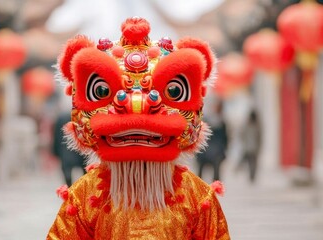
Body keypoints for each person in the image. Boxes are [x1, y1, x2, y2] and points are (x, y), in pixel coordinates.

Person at [46, 17, 229, 239]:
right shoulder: (86, 194)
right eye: (101, 91)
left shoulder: (197, 196)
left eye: (174, 91)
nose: (137, 105)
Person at [197, 99, 229, 182]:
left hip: (210, 149)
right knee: (210, 171)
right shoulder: (221, 122)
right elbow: (225, 138)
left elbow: (225, 138)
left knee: (206, 170)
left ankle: (211, 187)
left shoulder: (210, 121)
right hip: (212, 149)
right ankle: (213, 186)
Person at [52, 111, 86, 186]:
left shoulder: (61, 118)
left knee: (67, 175)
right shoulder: (82, 117)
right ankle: (83, 191)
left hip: (65, 151)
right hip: (81, 150)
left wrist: (55, 152)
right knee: (85, 173)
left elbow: (56, 137)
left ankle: (69, 192)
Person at [240, 109, 261, 183]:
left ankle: (251, 175)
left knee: (250, 163)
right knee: (253, 163)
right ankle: (252, 175)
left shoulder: (247, 125)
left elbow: (242, 135)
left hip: (249, 147)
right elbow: (259, 137)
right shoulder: (257, 126)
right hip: (254, 148)